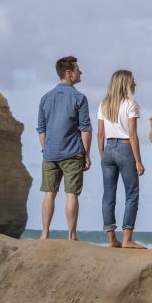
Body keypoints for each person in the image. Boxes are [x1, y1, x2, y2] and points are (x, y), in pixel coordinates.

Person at [37, 56, 92, 240]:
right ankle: (71, 235)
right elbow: (85, 129)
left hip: (50, 153)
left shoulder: (45, 98)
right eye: (77, 69)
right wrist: (87, 154)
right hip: (72, 153)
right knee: (71, 195)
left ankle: (45, 234)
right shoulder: (79, 98)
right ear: (69, 73)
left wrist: (46, 148)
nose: (80, 72)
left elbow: (41, 129)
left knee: (49, 194)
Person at [97, 69, 146, 248]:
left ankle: (112, 240)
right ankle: (127, 239)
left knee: (108, 195)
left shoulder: (103, 104)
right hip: (125, 148)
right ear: (125, 83)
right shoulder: (131, 104)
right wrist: (138, 161)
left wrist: (103, 156)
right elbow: (132, 134)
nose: (135, 82)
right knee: (131, 194)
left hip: (108, 149)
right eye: (133, 80)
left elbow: (100, 134)